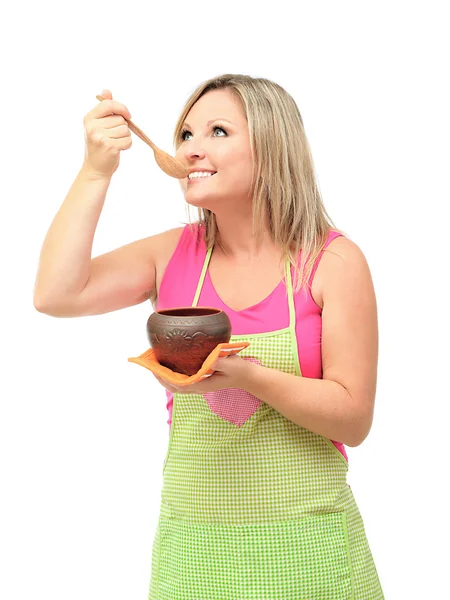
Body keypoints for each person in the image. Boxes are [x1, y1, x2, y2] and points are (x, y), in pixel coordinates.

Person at [34, 74, 384, 599]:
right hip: (194, 550)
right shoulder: (173, 254)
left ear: (272, 146)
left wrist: (244, 375)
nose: (192, 149)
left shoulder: (331, 261)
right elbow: (55, 294)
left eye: (217, 131)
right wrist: (94, 172)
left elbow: (353, 417)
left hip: (309, 550)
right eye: (185, 135)